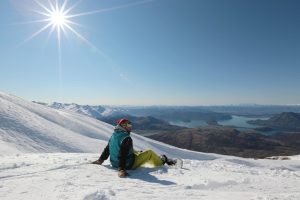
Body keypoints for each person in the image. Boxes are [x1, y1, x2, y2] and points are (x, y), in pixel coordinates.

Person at [91, 118, 176, 177]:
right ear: (123, 126)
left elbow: (107, 149)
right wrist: (121, 169)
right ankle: (162, 162)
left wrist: (100, 160)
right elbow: (122, 154)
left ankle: (145, 156)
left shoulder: (114, 135)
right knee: (149, 152)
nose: (130, 127)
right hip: (128, 164)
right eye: (128, 125)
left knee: (134, 151)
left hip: (114, 163)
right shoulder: (126, 138)